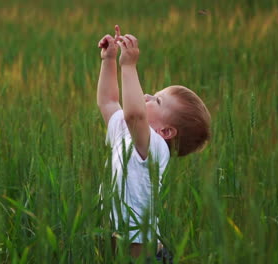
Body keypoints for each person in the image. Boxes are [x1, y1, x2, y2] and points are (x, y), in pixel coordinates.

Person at [97, 25, 211, 260]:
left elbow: (135, 114)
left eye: (157, 100)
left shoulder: (154, 147)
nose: (147, 96)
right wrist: (109, 60)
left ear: (166, 131)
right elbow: (108, 102)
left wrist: (128, 66)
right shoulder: (127, 132)